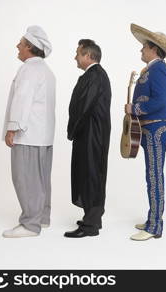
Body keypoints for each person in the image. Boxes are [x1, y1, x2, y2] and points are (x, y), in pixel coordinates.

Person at [125, 23, 166, 241]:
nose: (141, 50)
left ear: (153, 49)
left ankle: (155, 226)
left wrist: (135, 108)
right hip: (149, 128)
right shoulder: (152, 69)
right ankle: (153, 218)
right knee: (152, 175)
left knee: (154, 176)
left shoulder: (158, 69)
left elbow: (161, 101)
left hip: (156, 128)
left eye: (144, 47)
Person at [2, 25, 55, 238]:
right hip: (43, 135)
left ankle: (30, 225)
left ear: (30, 48)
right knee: (41, 179)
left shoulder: (29, 69)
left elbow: (22, 100)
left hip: (28, 134)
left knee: (24, 178)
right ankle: (42, 217)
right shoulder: (47, 71)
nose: (17, 46)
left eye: (21, 44)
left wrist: (12, 128)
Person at [64, 39, 111, 238]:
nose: (75, 56)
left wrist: (72, 130)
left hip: (92, 134)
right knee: (87, 174)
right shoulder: (93, 75)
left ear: (88, 56)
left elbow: (84, 107)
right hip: (89, 133)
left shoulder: (95, 76)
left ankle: (91, 225)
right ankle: (90, 218)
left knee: (92, 175)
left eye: (78, 53)